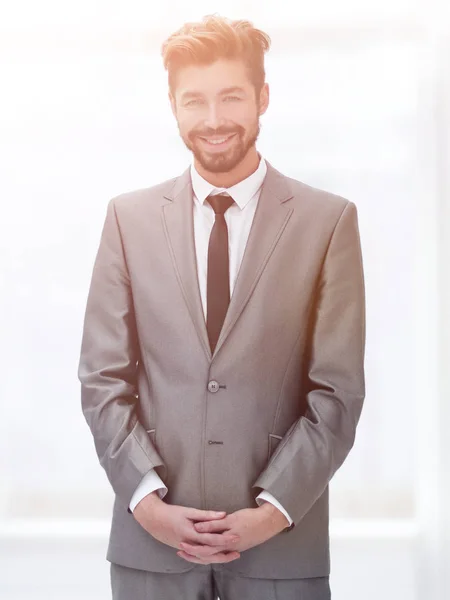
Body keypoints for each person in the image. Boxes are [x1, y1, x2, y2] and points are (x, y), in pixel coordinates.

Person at [78, 14, 366, 600]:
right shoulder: (127, 220)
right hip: (150, 551)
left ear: (262, 97)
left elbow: (337, 391)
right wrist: (147, 502)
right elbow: (102, 378)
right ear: (173, 105)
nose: (213, 121)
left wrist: (272, 511)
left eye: (231, 97)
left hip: (282, 550)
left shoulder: (328, 222)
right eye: (195, 101)